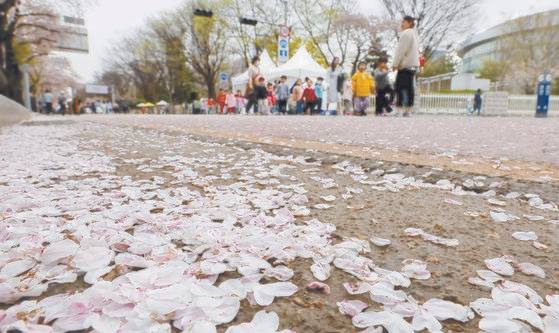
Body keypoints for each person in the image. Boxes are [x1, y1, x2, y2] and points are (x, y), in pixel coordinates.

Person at [393, 15, 420, 117]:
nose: (402, 24)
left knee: (400, 88)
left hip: (405, 65)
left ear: (409, 23)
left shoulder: (405, 34)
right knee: (410, 89)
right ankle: (408, 110)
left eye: (403, 22)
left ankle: (399, 110)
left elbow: (400, 51)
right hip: (413, 66)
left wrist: (395, 64)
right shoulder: (414, 34)